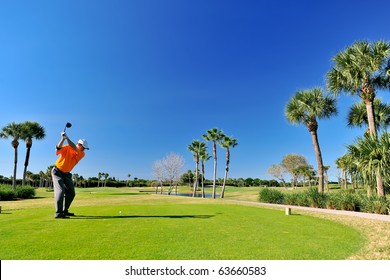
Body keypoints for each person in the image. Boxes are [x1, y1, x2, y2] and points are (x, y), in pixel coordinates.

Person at [51, 132, 89, 218]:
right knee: (60, 191)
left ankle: (65, 211)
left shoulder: (81, 154)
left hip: (67, 174)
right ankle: (58, 213)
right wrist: (63, 139)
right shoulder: (67, 147)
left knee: (71, 193)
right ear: (79, 144)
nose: (84, 150)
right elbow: (57, 149)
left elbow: (74, 147)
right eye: (83, 147)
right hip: (57, 171)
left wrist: (67, 138)